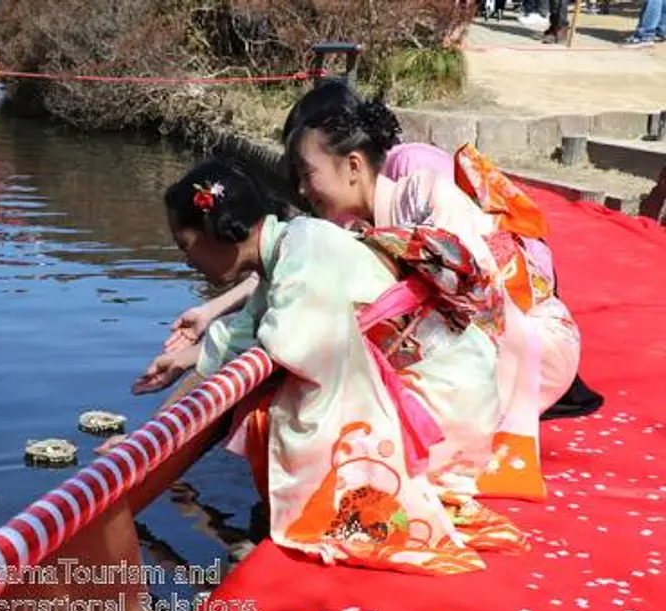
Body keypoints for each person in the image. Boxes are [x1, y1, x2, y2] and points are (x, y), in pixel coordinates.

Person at [108, 157, 527, 575]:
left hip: (449, 400)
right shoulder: (289, 247)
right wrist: (149, 434)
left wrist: (145, 449)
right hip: (455, 380)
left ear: (219, 230)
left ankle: (330, 504)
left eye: (185, 245)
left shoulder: (303, 254)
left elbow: (282, 343)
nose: (186, 260)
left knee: (266, 408)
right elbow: (232, 343)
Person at [154, 80, 602, 421]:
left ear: (352, 165)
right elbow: (278, 279)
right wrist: (212, 317)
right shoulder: (345, 223)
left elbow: (474, 284)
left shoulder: (419, 183)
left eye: (308, 174)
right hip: (461, 338)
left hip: (515, 336)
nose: (304, 190)